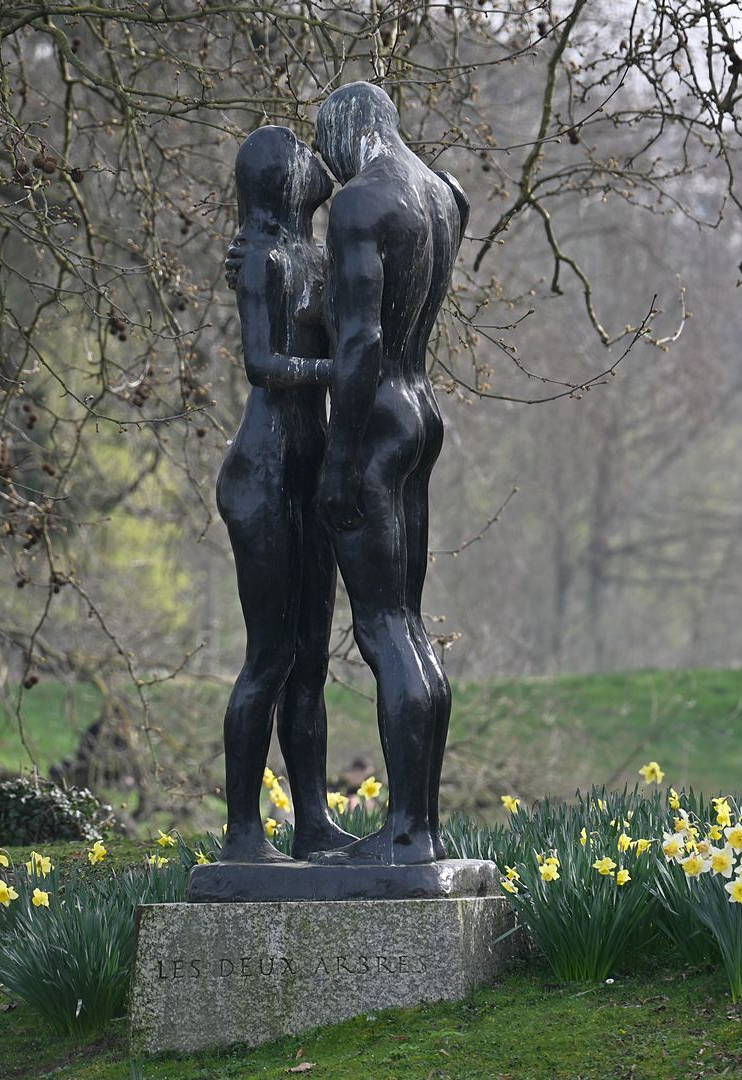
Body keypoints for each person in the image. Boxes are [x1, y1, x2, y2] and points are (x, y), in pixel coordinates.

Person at [309, 82, 469, 864]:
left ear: (348, 130)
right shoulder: (443, 195)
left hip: (373, 421)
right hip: (421, 411)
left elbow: (362, 339)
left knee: (383, 629)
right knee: (408, 624)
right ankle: (421, 826)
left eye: (327, 147)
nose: (329, 166)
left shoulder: (360, 202)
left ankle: (405, 831)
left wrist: (339, 460)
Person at [214, 125, 357, 863]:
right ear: (279, 177)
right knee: (269, 656)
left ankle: (313, 823)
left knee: (310, 662)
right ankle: (244, 832)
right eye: (303, 153)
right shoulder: (263, 260)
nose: (319, 161)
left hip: (308, 469)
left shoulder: (319, 259)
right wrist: (340, 372)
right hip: (263, 472)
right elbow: (262, 364)